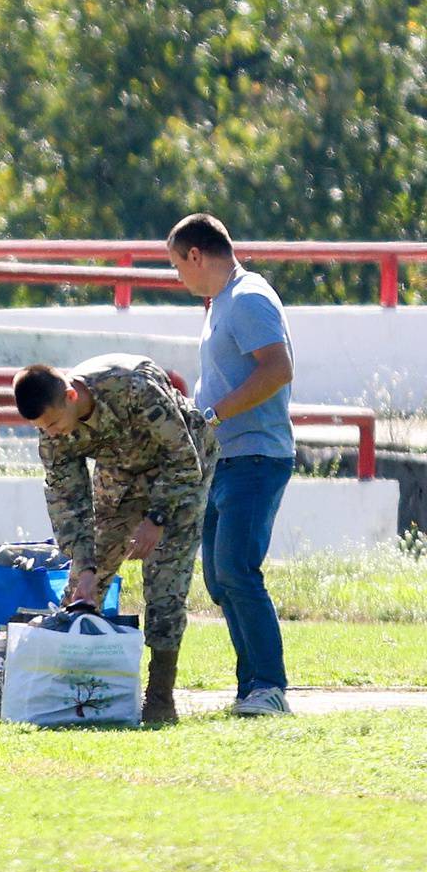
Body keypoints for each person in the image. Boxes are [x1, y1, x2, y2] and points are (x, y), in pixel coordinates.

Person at [12, 354, 216, 725]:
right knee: (81, 589)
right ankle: (68, 692)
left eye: (55, 423)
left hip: (181, 470)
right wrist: (86, 566)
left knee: (165, 584)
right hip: (120, 475)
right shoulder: (52, 431)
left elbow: (184, 459)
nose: (53, 433)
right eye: (44, 427)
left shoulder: (133, 387)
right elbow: (68, 503)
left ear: (72, 397)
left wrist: (156, 519)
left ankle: (159, 699)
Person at [167, 213, 297, 717]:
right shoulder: (220, 302)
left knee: (238, 570)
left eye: (178, 264)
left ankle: (269, 686)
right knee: (221, 580)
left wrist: (214, 413)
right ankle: (250, 686)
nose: (178, 276)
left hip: (256, 456)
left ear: (196, 255)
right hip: (226, 459)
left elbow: (278, 368)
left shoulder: (248, 298)